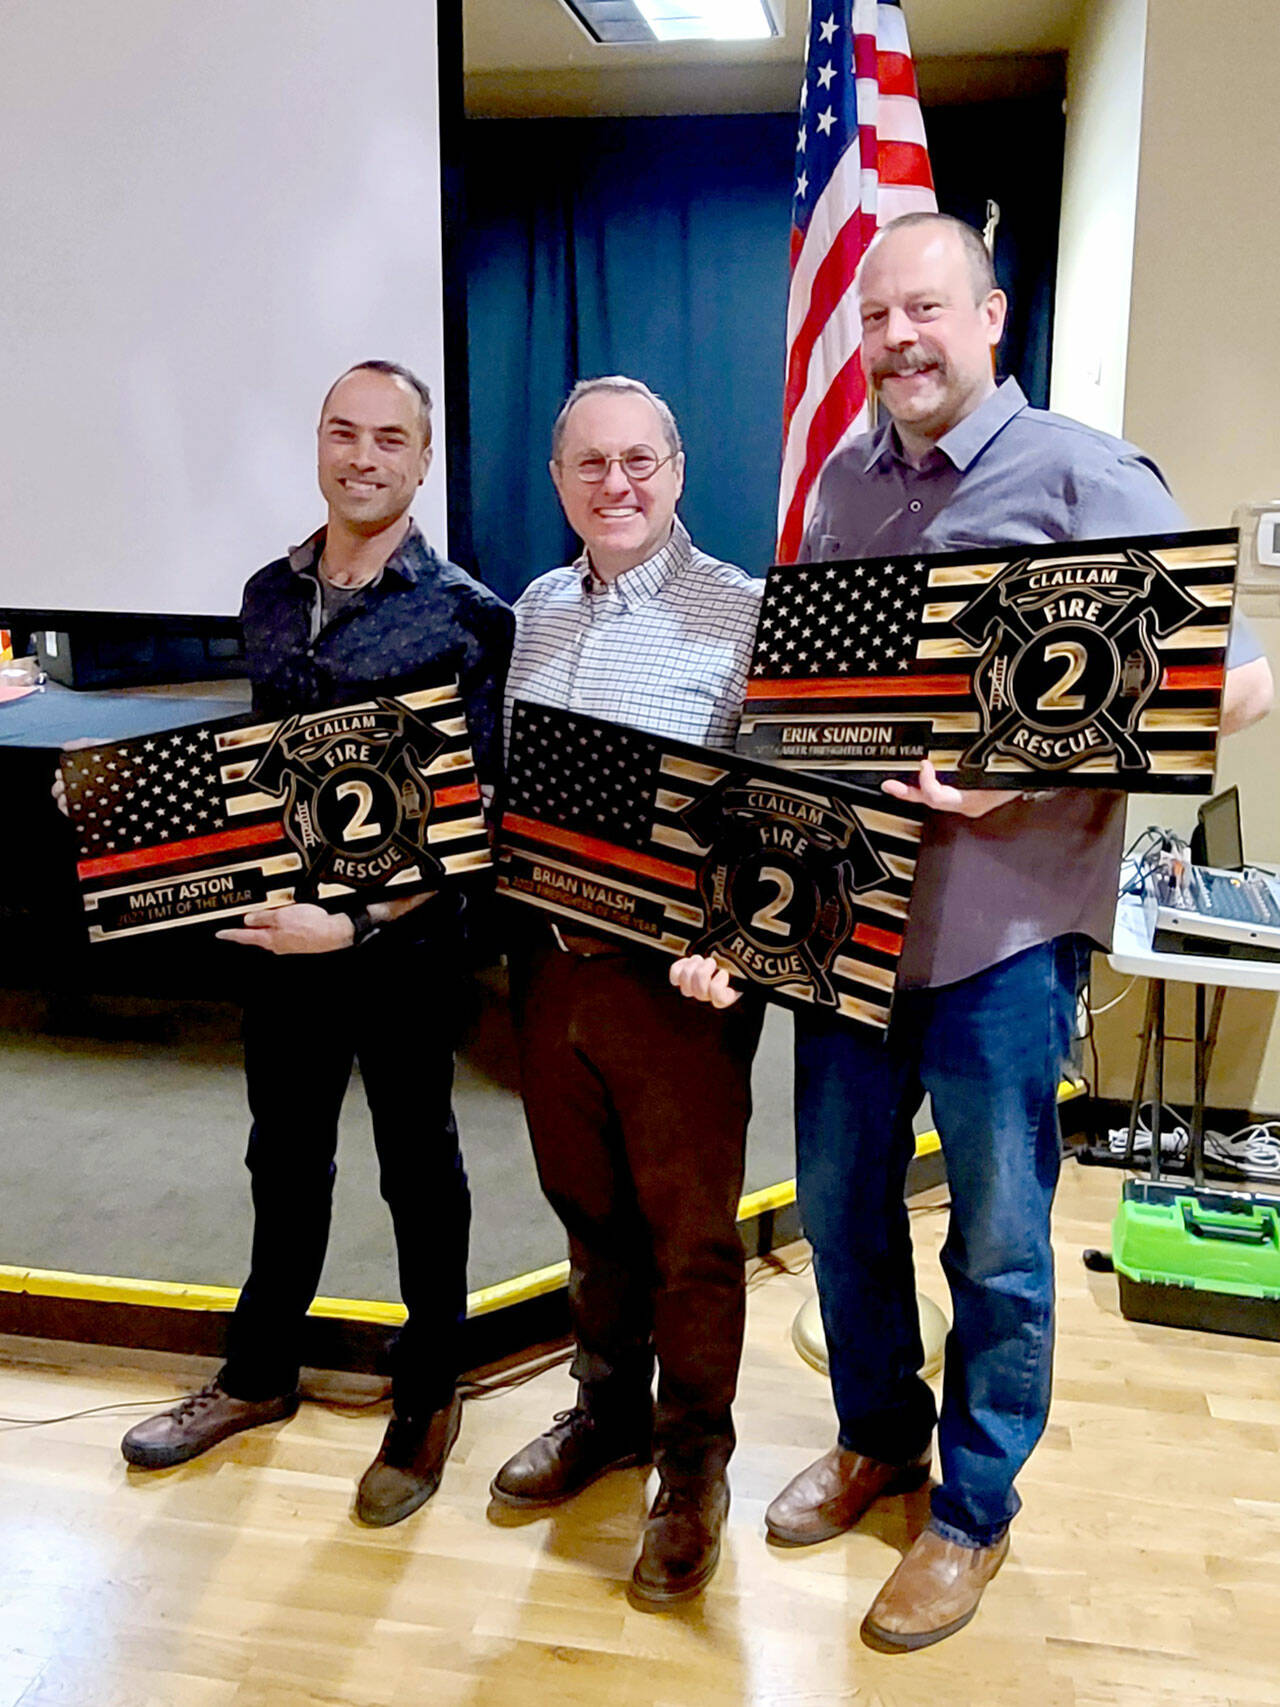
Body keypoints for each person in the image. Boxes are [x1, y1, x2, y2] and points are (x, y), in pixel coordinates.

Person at [672, 213, 1273, 1650]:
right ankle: (879, 1432)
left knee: (1000, 1244)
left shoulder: (1083, 473)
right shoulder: (843, 484)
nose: (898, 340)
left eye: (925, 311)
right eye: (878, 319)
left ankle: (973, 1507)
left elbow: (1232, 684)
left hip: (1003, 941)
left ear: (991, 317)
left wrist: (1027, 767)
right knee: (838, 1209)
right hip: (849, 926)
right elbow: (823, 705)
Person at [112, 361, 514, 1524]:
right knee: (280, 1158)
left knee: (415, 1166)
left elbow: (473, 815)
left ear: (423, 461)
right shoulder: (265, 595)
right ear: (319, 444)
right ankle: (256, 1374)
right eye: (343, 433)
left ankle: (429, 1391)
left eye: (391, 439)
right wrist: (120, 818)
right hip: (273, 944)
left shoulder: (469, 616)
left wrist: (352, 921)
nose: (363, 457)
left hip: (402, 950)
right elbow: (259, 782)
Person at [490, 376, 764, 1608]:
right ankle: (605, 1414)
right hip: (549, 971)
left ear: (677, 467)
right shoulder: (536, 610)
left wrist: (737, 940)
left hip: (676, 992)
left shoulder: (743, 615)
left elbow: (779, 827)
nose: (616, 484)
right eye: (589, 464)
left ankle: (693, 1462)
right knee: (585, 1213)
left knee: (691, 1240)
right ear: (557, 482)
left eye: (638, 461)